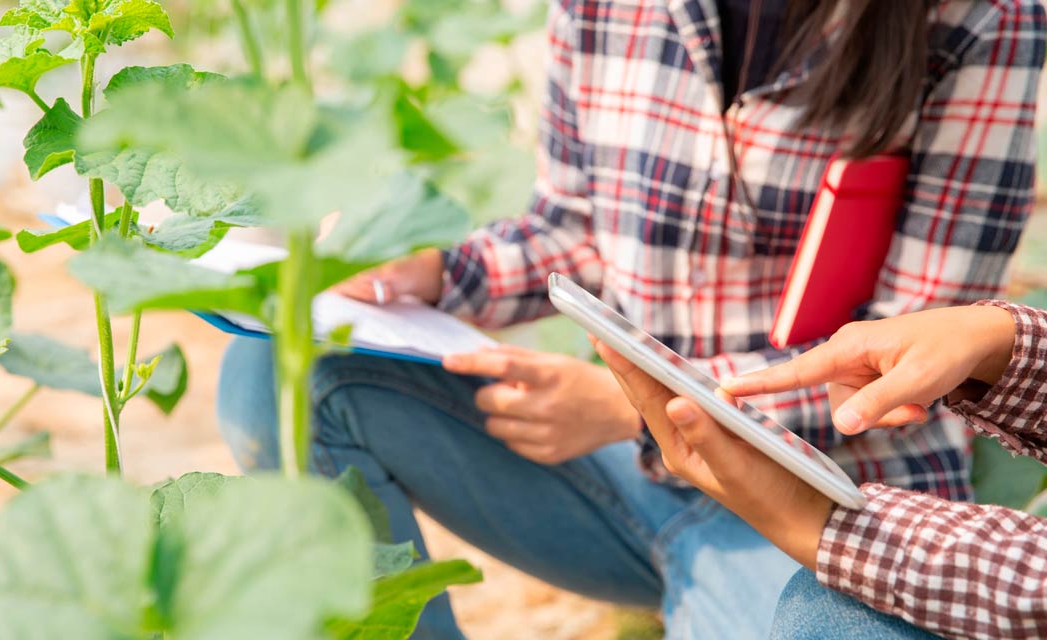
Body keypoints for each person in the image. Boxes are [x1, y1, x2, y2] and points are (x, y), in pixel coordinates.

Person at [216, 0, 1044, 637]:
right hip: (619, 477)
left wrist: (629, 407)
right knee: (283, 378)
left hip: (828, 511)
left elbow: (910, 360)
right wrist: (436, 272)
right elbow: (571, 229)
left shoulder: (982, 18)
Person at [592, 299, 1047, 640]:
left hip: (880, 490)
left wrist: (824, 526)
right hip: (690, 492)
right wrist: (1000, 341)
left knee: (827, 614)